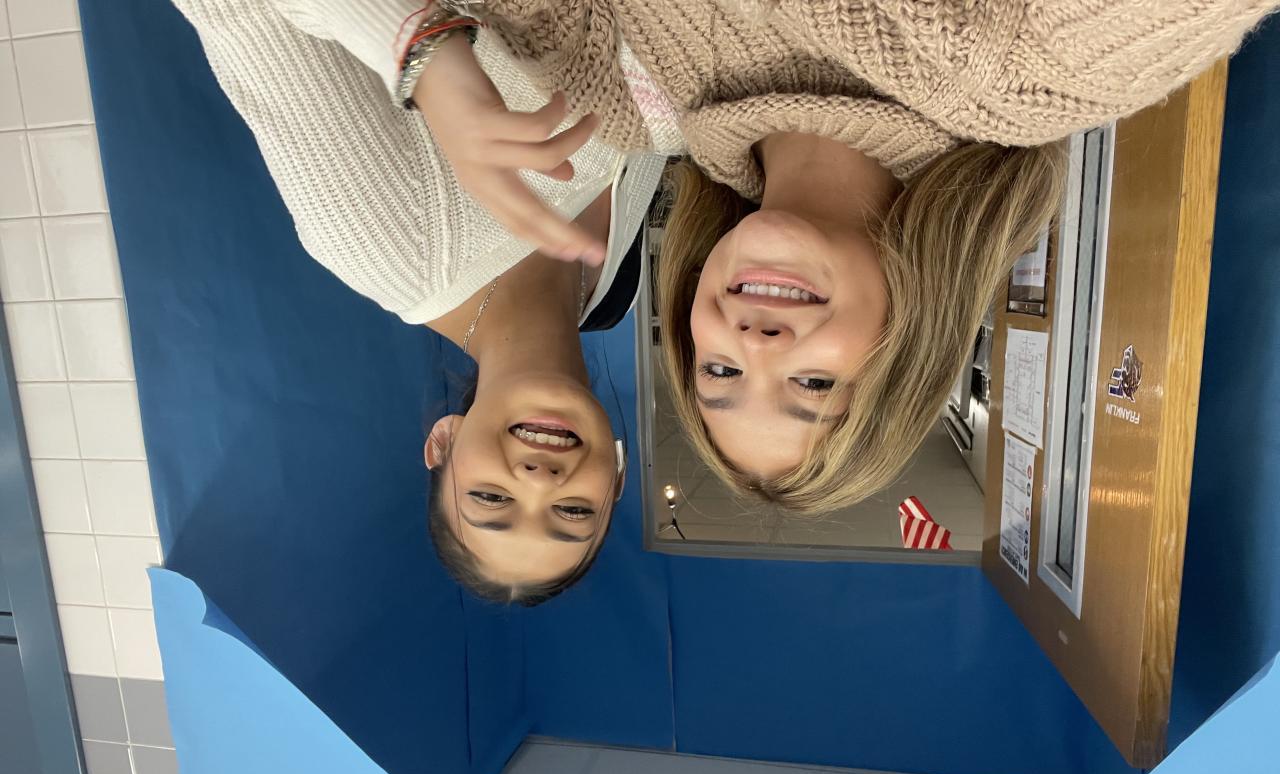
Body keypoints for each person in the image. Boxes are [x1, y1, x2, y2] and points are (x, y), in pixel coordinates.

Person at [311, 0, 1276, 515]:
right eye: (814, 385)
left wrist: (422, 49)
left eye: (722, 373)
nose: (761, 344)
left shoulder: (623, 96)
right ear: (910, 343)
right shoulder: (1035, 74)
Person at [172, 0, 665, 602]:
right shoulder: (618, 288)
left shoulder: (392, 248)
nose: (539, 480)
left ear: (444, 442)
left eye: (491, 498)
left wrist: (425, 52)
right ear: (617, 480)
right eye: (572, 512)